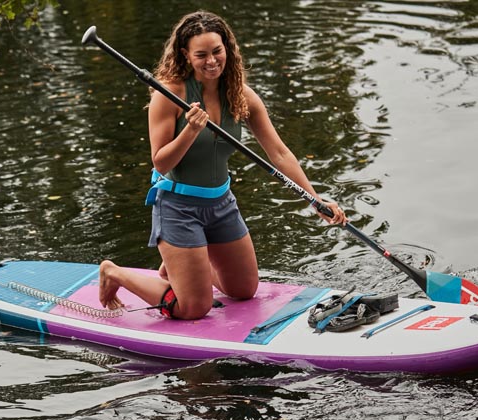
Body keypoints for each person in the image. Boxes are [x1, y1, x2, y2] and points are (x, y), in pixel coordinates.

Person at [98, 10, 347, 320]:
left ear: (227, 48)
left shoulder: (241, 96)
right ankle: (115, 273)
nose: (211, 60)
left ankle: (183, 265)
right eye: (201, 54)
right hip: (178, 208)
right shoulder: (169, 94)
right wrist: (189, 131)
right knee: (193, 308)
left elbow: (279, 153)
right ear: (186, 56)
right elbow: (160, 163)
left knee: (244, 289)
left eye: (217, 51)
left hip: (221, 205)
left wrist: (315, 200)